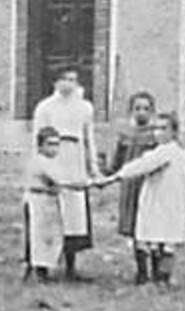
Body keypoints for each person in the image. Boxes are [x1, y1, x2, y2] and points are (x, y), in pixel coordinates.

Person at [97, 111, 185, 286]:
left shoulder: (171, 151)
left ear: (174, 132)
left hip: (169, 202)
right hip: (157, 199)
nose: (158, 133)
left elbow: (143, 165)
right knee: (155, 236)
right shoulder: (162, 151)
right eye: (156, 129)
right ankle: (155, 277)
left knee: (167, 238)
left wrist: (116, 176)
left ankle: (163, 277)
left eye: (164, 128)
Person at [29, 68, 99, 280]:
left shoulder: (85, 108)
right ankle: (43, 267)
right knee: (49, 218)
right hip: (54, 161)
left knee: (74, 218)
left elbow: (89, 140)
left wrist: (93, 168)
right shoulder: (45, 108)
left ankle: (71, 266)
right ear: (55, 82)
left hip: (75, 164)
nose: (69, 84)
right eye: (64, 79)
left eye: (73, 80)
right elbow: (37, 141)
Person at [105, 90, 158, 277]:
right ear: (131, 111)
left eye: (145, 108)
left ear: (152, 112)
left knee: (152, 227)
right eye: (137, 108)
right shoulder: (126, 135)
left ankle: (157, 269)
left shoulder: (155, 136)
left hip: (150, 187)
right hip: (130, 187)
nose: (141, 112)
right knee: (135, 228)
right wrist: (107, 175)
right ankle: (141, 270)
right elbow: (117, 163)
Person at [23, 126, 71, 282]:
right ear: (40, 146)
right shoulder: (40, 161)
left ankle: (44, 268)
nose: (54, 148)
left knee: (51, 235)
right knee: (40, 236)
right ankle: (38, 270)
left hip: (50, 201)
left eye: (57, 144)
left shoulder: (53, 162)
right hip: (38, 201)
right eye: (49, 144)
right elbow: (61, 179)